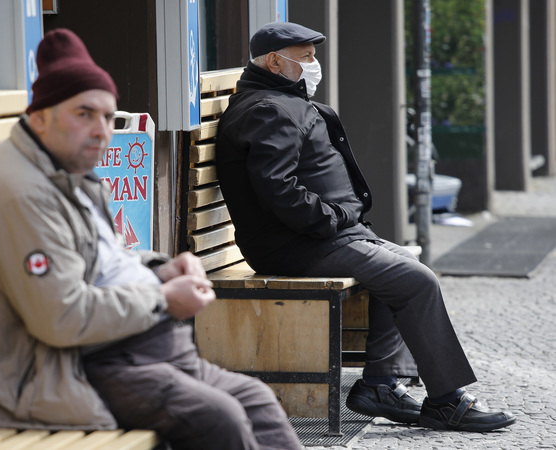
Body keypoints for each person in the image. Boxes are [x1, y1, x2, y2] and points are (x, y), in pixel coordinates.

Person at [0, 28, 303, 450]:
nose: (101, 130)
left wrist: (160, 268)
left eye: (107, 116)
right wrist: (162, 297)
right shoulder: (18, 195)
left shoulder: (69, 170)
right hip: (63, 369)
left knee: (257, 401)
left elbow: (105, 260)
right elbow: (60, 316)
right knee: (217, 419)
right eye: (84, 114)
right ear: (39, 117)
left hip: (140, 347)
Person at [215, 21, 516, 433]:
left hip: (320, 235)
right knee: (415, 280)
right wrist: (335, 218)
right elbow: (277, 189)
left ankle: (380, 384)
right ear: (274, 61)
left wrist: (340, 220)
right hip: (299, 242)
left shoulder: (277, 100)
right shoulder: (268, 109)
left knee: (404, 266)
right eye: (305, 57)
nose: (314, 64)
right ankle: (445, 401)